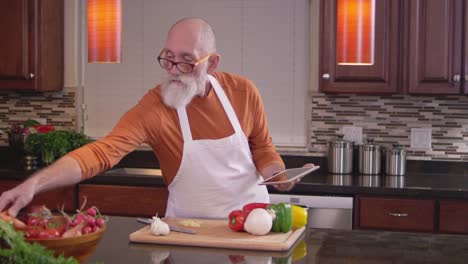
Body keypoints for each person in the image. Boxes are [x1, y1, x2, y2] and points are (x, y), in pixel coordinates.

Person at [0, 17, 309, 219]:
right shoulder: (155, 107)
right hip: (188, 235)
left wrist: (279, 176)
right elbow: (101, 152)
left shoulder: (242, 91)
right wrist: (34, 184)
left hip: (252, 228)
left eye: (187, 62)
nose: (173, 71)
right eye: (168, 58)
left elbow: (263, 147)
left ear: (212, 63)